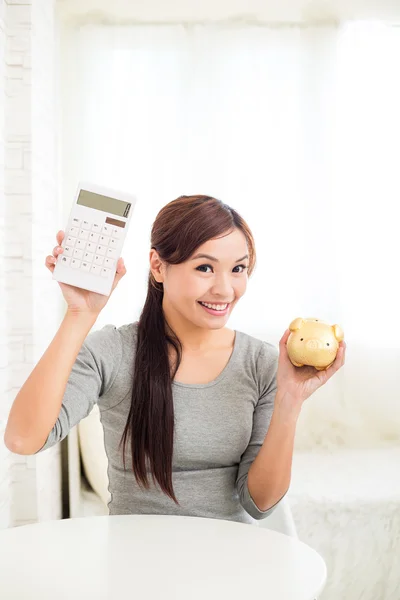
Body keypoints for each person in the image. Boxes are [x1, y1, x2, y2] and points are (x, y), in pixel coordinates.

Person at [4, 194, 345, 525]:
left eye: (238, 268)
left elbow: (260, 504)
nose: (225, 289)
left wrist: (290, 399)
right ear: (158, 267)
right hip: (138, 561)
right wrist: (79, 314)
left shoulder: (262, 362)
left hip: (232, 560)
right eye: (205, 267)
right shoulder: (112, 351)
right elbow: (23, 439)